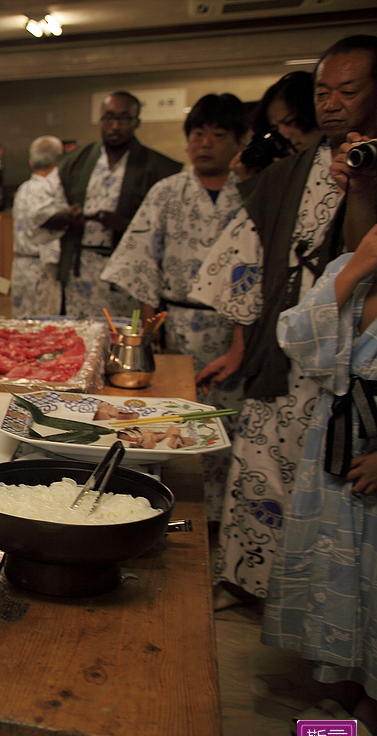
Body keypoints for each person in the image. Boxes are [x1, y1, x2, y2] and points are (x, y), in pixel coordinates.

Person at [191, 34, 377, 599]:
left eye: (348, 90)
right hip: (288, 352)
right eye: (322, 91)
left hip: (361, 375)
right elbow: (246, 261)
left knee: (341, 503)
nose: (331, 103)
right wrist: (242, 345)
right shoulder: (290, 173)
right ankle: (255, 591)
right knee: (265, 471)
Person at [265, 137, 377, 736]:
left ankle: (368, 718)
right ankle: (346, 690)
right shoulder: (348, 271)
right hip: (334, 447)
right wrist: (359, 264)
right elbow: (296, 336)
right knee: (346, 577)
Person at [101, 94, 248, 526]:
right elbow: (143, 261)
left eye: (219, 135)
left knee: (229, 428)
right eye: (198, 134)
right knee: (172, 425)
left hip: (236, 329)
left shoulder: (254, 192)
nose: (206, 144)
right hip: (176, 325)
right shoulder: (167, 192)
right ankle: (169, 512)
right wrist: (150, 329)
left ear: (240, 141)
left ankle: (223, 523)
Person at [49, 91, 183, 319]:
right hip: (80, 267)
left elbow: (169, 229)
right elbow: (48, 210)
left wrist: (125, 224)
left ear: (136, 122)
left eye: (123, 119)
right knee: (81, 335)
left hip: (125, 271)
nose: (114, 126)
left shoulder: (156, 167)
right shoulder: (76, 161)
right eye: (108, 118)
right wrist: (69, 215)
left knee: (119, 336)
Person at [10, 135, 67, 318]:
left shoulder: (24, 188)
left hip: (20, 265)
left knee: (20, 322)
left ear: (31, 161)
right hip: (41, 265)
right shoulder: (51, 189)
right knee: (42, 323)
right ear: (57, 160)